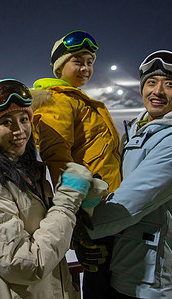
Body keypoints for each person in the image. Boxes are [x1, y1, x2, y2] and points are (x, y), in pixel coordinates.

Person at [0, 79, 108, 298]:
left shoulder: (27, 175)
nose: (20, 130)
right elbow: (23, 264)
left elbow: (43, 234)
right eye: (6, 122)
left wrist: (82, 208)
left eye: (24, 119)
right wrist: (66, 204)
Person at [79, 50, 172, 298]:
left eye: (169, 84)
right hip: (122, 265)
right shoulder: (139, 131)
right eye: (151, 82)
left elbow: (129, 204)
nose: (157, 91)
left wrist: (77, 229)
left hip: (146, 279)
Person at [30, 30, 122, 297]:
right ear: (60, 66)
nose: (85, 68)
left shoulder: (76, 99)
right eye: (78, 61)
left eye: (90, 62)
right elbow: (58, 159)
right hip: (92, 212)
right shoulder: (57, 100)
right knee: (103, 286)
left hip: (105, 206)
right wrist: (78, 219)